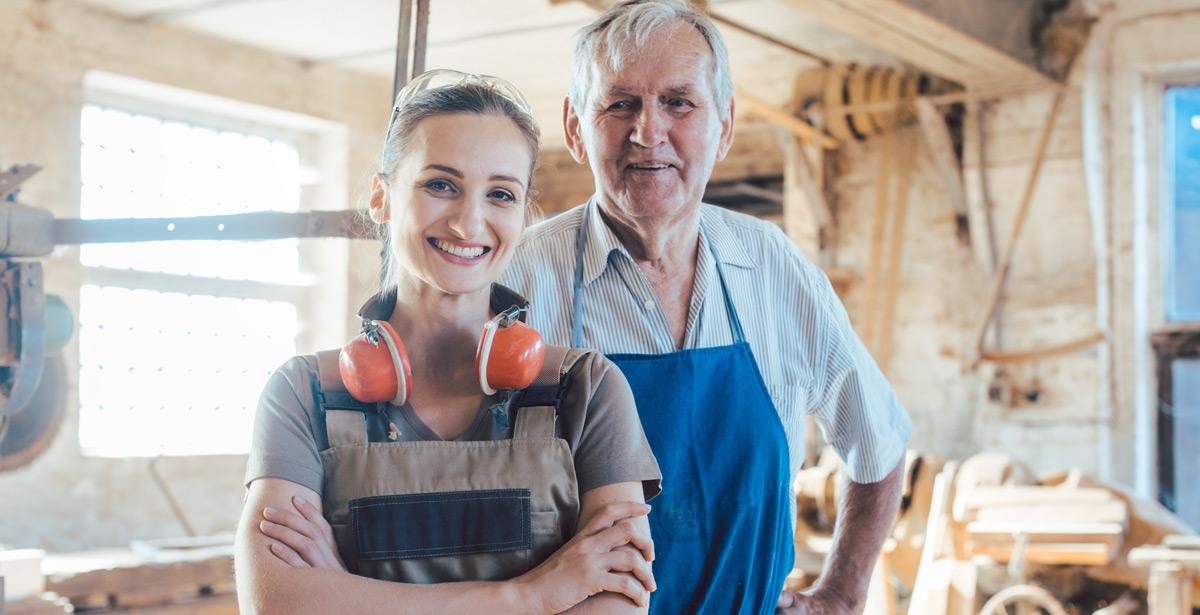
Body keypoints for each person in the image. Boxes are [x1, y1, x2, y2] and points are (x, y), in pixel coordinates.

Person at [498, 1, 913, 613]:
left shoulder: (774, 267)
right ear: (573, 128)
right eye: (619, 104)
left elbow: (878, 441)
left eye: (679, 102)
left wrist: (843, 595)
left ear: (724, 125)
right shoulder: (515, 283)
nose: (648, 132)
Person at [234, 70, 663, 615]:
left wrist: (345, 594)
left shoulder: (585, 389)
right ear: (381, 196)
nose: (469, 222)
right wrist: (530, 594)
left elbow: (616, 604)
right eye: (440, 184)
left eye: (501, 194)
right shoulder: (304, 393)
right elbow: (279, 605)